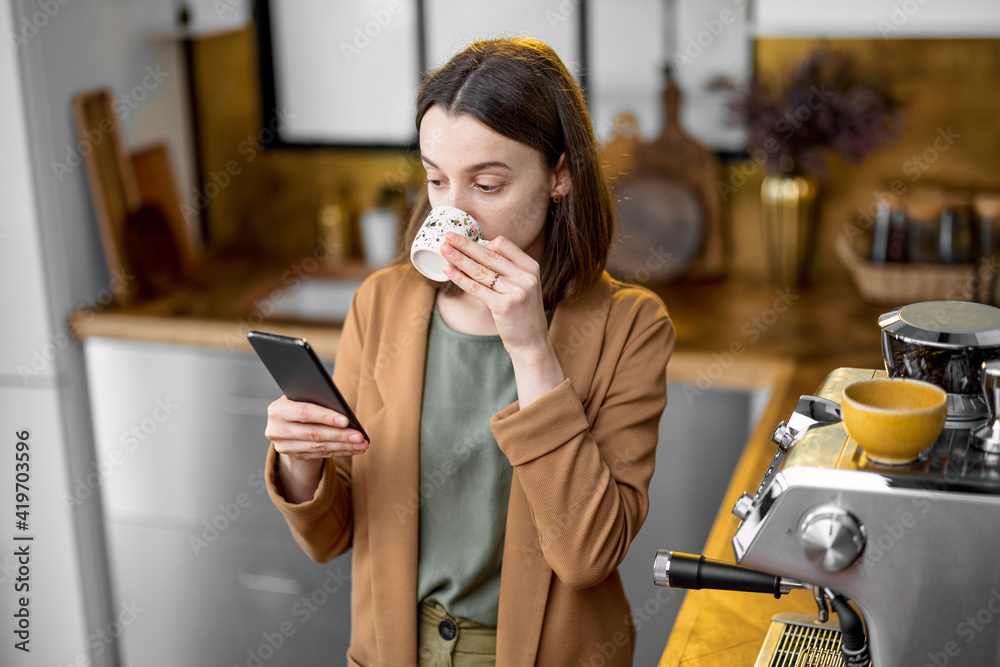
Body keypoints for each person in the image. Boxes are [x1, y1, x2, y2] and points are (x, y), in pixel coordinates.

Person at [263, 37, 675, 666]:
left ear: (559, 175)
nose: (453, 214)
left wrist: (532, 349)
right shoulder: (382, 305)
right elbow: (333, 537)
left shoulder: (630, 326)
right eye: (435, 180)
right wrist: (302, 463)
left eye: (486, 184)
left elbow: (588, 555)